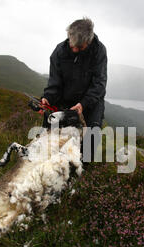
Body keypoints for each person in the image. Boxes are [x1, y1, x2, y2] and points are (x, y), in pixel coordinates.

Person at [41, 18, 108, 162]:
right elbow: (54, 82)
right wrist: (47, 98)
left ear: (89, 42)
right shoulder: (59, 52)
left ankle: (83, 175)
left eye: (80, 47)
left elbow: (99, 84)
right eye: (73, 46)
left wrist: (83, 104)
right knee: (50, 137)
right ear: (69, 37)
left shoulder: (99, 51)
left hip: (90, 102)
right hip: (65, 100)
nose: (75, 50)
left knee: (90, 140)